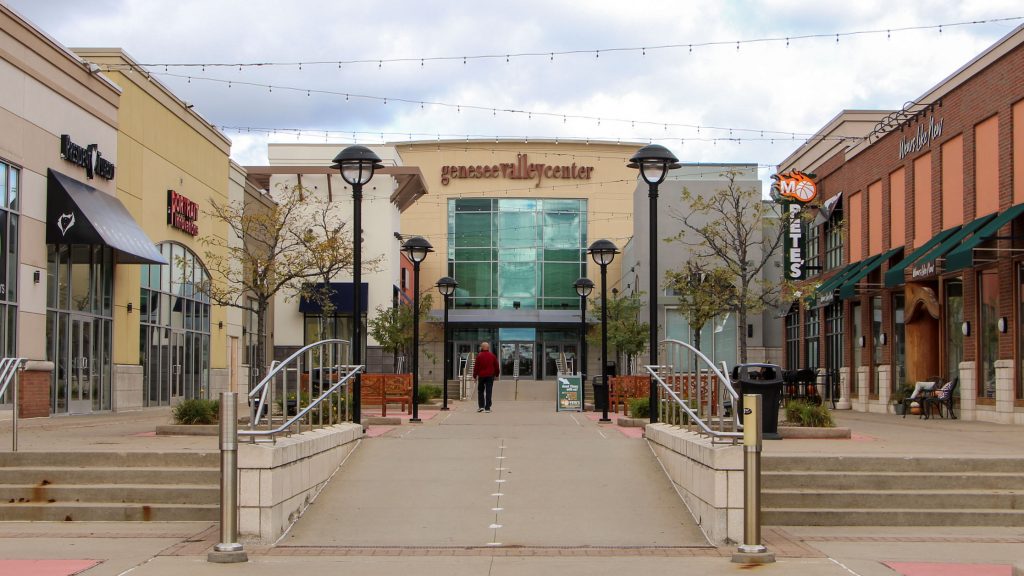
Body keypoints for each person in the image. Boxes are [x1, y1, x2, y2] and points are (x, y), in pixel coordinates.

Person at [473, 342, 499, 413]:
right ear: (488, 348)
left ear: (482, 347)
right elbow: (496, 366)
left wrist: (475, 376)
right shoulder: (492, 356)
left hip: (481, 376)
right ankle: (487, 408)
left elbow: (476, 367)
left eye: (481, 347)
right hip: (490, 376)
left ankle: (481, 406)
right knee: (489, 391)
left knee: (480, 391)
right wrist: (497, 374)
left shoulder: (479, 356)